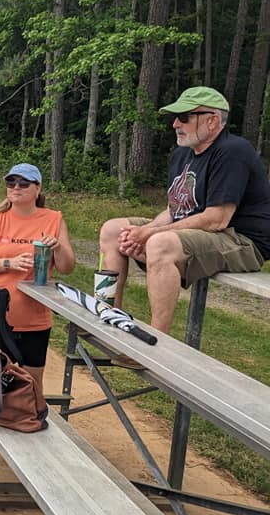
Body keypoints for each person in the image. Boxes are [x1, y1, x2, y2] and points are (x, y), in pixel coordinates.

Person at [98, 86, 270, 334]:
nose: (176, 124)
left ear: (212, 121)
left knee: (160, 243)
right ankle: (108, 315)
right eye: (174, 118)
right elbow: (173, 210)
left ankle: (157, 344)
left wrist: (150, 236)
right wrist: (142, 231)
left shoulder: (233, 151)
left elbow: (217, 219)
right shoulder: (183, 154)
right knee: (115, 229)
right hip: (200, 233)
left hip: (242, 240)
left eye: (185, 117)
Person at [0, 163, 75, 456]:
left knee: (31, 377)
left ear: (38, 189)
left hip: (34, 314)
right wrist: (9, 263)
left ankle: (30, 426)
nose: (16, 187)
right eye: (11, 182)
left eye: (24, 183)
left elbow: (66, 267)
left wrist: (58, 249)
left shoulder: (53, 219)